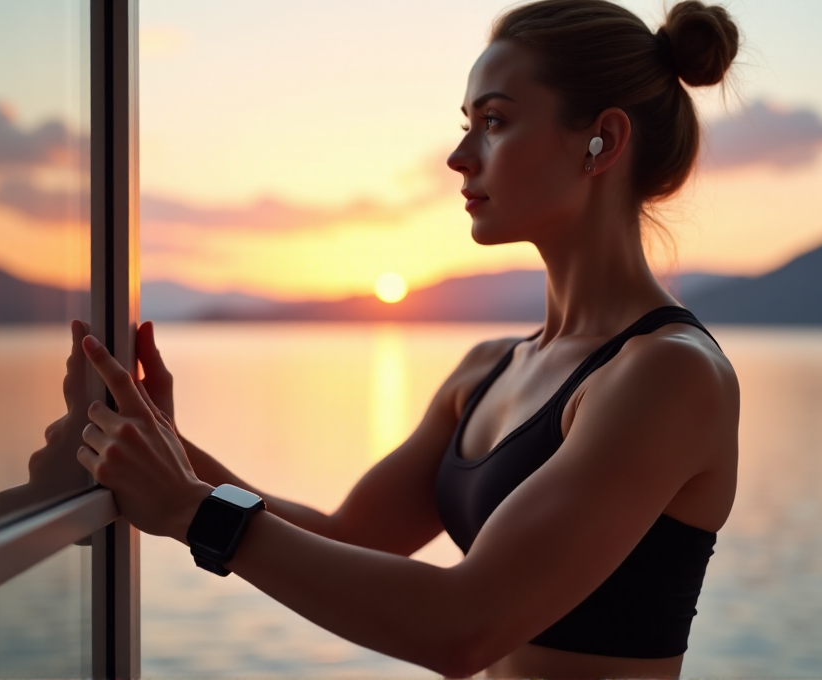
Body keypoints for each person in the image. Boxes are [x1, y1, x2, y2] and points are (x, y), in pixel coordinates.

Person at [74, 0, 741, 677]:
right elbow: (349, 538)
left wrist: (192, 510)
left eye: (494, 121)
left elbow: (463, 627)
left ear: (604, 139)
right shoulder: (487, 370)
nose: (458, 157)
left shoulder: (670, 376)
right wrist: (170, 453)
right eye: (467, 124)